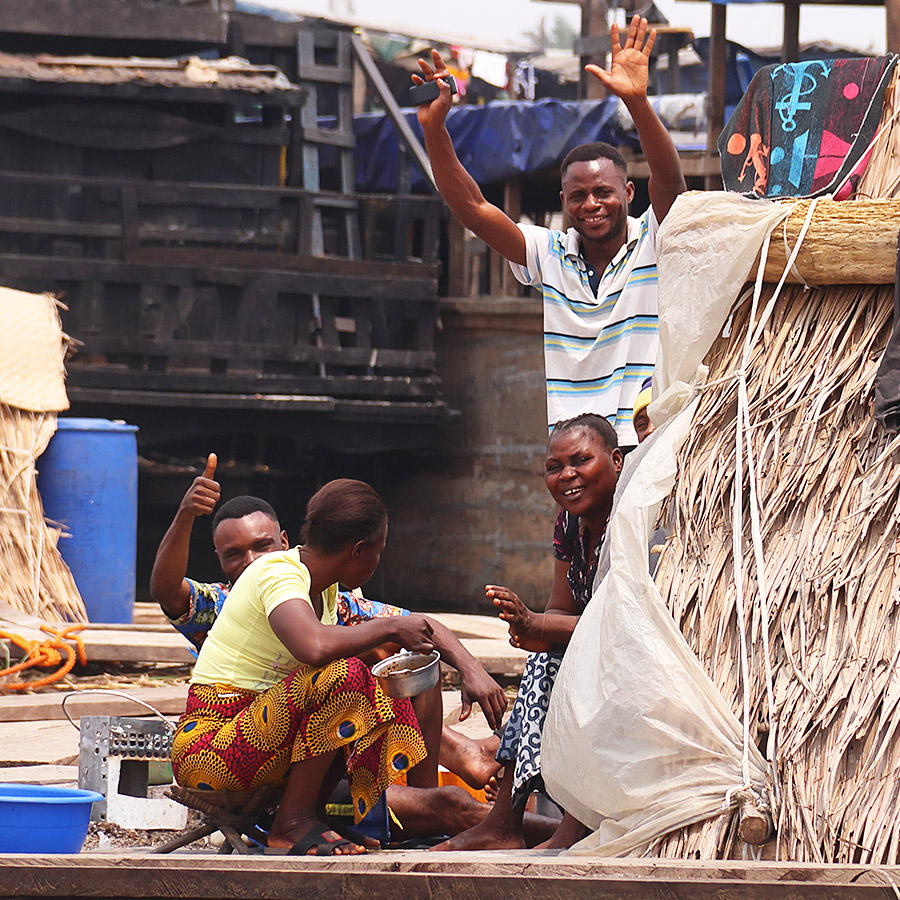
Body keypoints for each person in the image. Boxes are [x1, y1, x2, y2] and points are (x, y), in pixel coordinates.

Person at [151, 458, 505, 841]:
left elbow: (419, 627)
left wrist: (471, 668)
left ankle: (395, 812)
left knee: (392, 667)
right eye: (379, 553)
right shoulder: (277, 574)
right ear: (359, 551)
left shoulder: (327, 592)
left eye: (261, 546)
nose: (250, 560)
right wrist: (389, 627)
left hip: (267, 741)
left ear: (286, 538)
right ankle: (293, 824)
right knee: (347, 673)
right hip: (211, 750)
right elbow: (315, 646)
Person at [414, 16, 687, 446]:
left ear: (629, 193)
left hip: (644, 445)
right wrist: (434, 130)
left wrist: (637, 102)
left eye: (603, 192)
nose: (591, 204)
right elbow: (472, 207)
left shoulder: (654, 241)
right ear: (563, 203)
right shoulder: (549, 253)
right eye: (578, 196)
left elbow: (670, 183)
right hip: (576, 456)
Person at [434, 413, 622, 851]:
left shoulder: (632, 520)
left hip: (631, 657)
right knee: (544, 661)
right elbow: (562, 608)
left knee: (579, 671)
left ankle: (572, 829)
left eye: (581, 461)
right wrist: (534, 630)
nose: (567, 476)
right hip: (594, 645)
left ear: (615, 460)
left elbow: (621, 619)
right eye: (554, 467)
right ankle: (504, 822)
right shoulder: (570, 523)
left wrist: (540, 624)